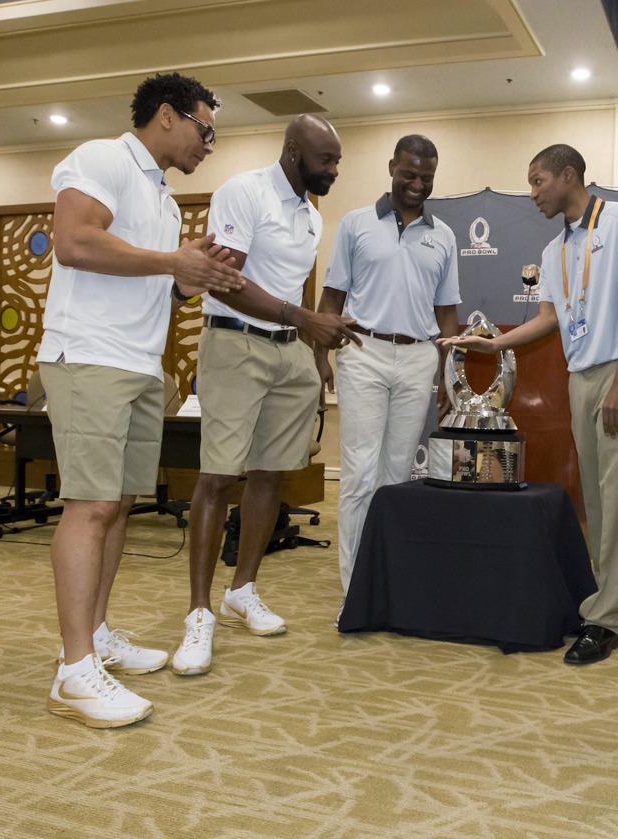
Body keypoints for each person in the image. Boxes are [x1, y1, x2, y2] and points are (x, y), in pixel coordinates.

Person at [39, 72, 243, 727]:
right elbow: (74, 242)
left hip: (137, 363)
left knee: (120, 502)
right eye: (203, 129)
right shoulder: (102, 157)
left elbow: (158, 281)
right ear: (165, 115)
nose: (208, 143)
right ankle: (74, 673)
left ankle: (95, 635)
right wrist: (170, 262)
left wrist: (194, 274)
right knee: (92, 503)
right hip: (90, 356)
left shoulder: (162, 196)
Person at [441, 144, 618, 665]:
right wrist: (495, 345)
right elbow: (550, 320)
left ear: (568, 175)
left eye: (539, 180)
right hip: (579, 379)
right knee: (601, 503)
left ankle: (602, 619)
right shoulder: (554, 251)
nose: (533, 191)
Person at [171, 115, 359, 675]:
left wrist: (314, 348)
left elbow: (291, 287)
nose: (333, 170)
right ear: (295, 150)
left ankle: (241, 591)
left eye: (337, 162)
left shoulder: (309, 216)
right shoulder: (243, 192)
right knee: (218, 476)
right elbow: (225, 280)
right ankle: (198, 615)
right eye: (326, 160)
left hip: (289, 352)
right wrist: (304, 318)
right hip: (235, 346)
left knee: (273, 473)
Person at [319, 135, 460, 600]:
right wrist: (320, 355)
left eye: (427, 178)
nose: (418, 184)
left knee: (396, 475)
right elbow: (333, 299)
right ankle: (355, 591)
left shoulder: (444, 235)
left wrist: (449, 372)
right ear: (391, 168)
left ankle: (388, 580)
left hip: (419, 357)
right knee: (358, 473)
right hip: (364, 352)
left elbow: (446, 315)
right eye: (409, 174)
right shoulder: (356, 224)